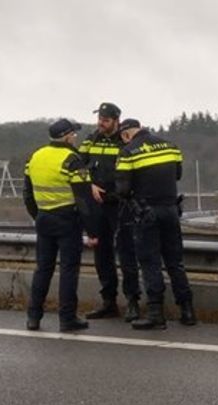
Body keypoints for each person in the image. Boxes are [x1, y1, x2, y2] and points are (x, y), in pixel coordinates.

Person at [115, 118, 195, 330]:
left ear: (125, 135)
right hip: (171, 209)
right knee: (175, 262)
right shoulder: (170, 146)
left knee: (150, 263)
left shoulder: (128, 152)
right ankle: (187, 310)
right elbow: (177, 174)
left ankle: (155, 313)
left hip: (146, 212)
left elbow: (122, 190)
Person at [23, 119, 99, 332]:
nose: (75, 137)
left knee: (43, 269)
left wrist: (37, 216)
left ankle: (33, 317)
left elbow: (27, 193)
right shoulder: (72, 159)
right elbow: (84, 200)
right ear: (66, 136)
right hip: (67, 220)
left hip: (44, 219)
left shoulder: (35, 157)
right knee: (68, 270)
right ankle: (67, 319)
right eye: (73, 134)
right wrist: (92, 231)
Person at [80, 102, 142, 322]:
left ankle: (133, 301)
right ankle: (109, 302)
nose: (101, 123)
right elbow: (77, 166)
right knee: (102, 254)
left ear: (116, 121)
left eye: (105, 120)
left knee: (126, 254)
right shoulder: (91, 139)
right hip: (98, 207)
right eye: (99, 119)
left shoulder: (126, 141)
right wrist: (89, 184)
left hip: (121, 205)